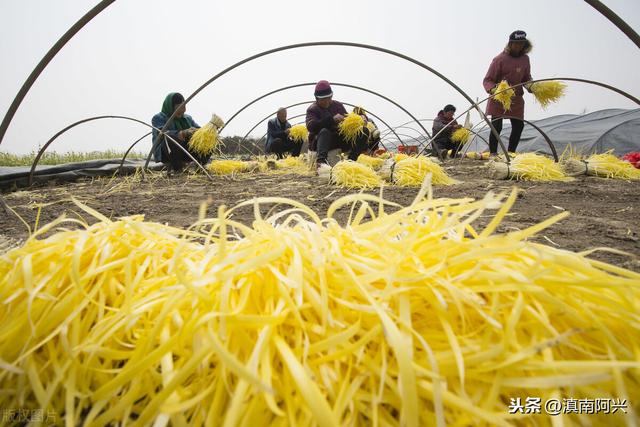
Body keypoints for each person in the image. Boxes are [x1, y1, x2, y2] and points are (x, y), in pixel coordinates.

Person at [483, 30, 533, 156]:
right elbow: (488, 80)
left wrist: (532, 86)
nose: (518, 46)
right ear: (510, 44)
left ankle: (511, 153)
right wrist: (495, 90)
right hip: (500, 98)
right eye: (515, 43)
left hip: (516, 98)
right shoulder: (499, 59)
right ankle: (493, 153)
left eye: (521, 43)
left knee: (518, 126)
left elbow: (526, 78)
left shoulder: (525, 59)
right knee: (496, 127)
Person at [306, 80, 369, 166]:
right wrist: (331, 120)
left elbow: (348, 120)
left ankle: (351, 160)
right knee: (324, 131)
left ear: (331, 96)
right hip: (322, 142)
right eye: (323, 99)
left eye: (328, 98)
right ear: (317, 99)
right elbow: (311, 126)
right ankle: (321, 163)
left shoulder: (338, 105)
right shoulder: (312, 109)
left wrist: (360, 119)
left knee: (363, 131)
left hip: (339, 139)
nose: (326, 101)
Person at [151, 92, 207, 172]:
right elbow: (162, 133)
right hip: (167, 153)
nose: (183, 110)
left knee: (207, 140)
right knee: (170, 138)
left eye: (184, 106)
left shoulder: (187, 118)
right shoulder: (158, 118)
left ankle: (200, 166)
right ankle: (178, 170)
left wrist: (206, 131)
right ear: (171, 107)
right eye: (179, 107)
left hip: (185, 152)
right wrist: (182, 133)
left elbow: (198, 129)